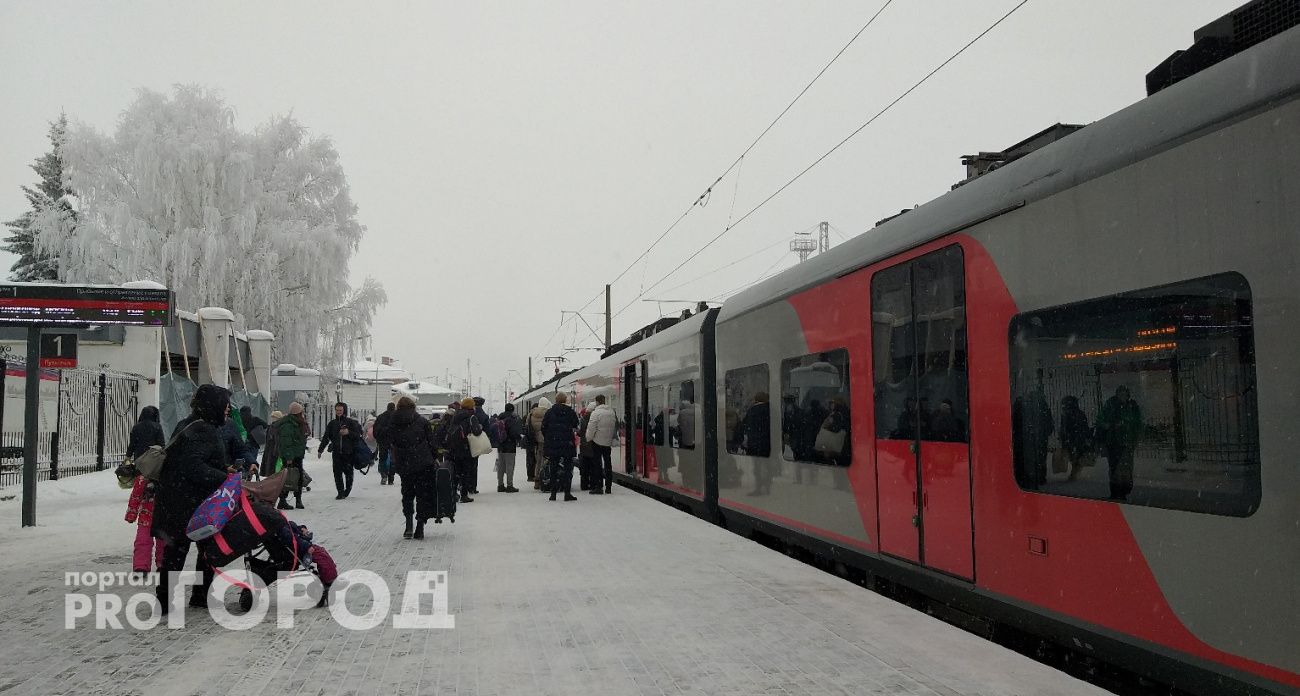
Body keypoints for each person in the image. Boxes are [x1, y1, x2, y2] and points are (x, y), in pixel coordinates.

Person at [151, 384, 234, 613]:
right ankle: (193, 595)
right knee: (201, 549)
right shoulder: (203, 430)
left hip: (177, 501)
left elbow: (189, 461)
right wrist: (224, 476)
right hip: (189, 505)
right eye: (225, 404)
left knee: (178, 553)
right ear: (215, 405)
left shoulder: (189, 424)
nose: (228, 409)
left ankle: (171, 598)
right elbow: (194, 467)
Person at [125, 406, 165, 575]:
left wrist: (131, 514)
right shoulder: (157, 427)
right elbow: (162, 445)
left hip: (141, 464)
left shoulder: (137, 427)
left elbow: (132, 444)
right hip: (163, 512)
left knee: (143, 537)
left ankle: (141, 566)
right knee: (163, 537)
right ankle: (163, 563)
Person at [389, 396, 437, 539]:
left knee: (407, 494)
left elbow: (390, 439)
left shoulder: (394, 422)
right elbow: (432, 442)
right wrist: (433, 457)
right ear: (413, 407)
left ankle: (408, 525)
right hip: (423, 463)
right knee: (423, 495)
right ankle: (420, 526)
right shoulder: (422, 422)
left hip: (405, 464)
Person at [1097, 386, 1141, 500]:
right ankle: (1116, 491)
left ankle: (1123, 490)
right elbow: (1101, 419)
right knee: (1115, 467)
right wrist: (1109, 425)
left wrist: (1126, 426)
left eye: (1124, 394)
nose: (1122, 396)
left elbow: (1137, 423)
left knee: (1124, 467)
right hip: (1113, 440)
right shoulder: (1111, 404)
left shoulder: (1131, 406)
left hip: (1126, 441)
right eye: (1120, 394)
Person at [318, 402, 362, 500]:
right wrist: (320, 449)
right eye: (337, 410)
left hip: (348, 453)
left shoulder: (350, 423)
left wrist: (348, 432)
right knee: (337, 473)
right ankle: (340, 492)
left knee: (349, 473)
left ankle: (347, 490)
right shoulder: (332, 424)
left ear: (344, 411)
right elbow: (326, 437)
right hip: (337, 452)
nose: (338, 412)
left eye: (340, 410)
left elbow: (357, 436)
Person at [1012, 387, 1054, 490]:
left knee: (1028, 458)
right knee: (1040, 457)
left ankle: (1033, 478)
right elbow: (1049, 423)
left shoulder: (1023, 407)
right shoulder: (1043, 407)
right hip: (1040, 438)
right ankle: (1040, 477)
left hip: (1025, 439)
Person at [542, 392, 580, 501]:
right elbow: (575, 425)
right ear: (565, 400)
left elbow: (543, 427)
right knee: (568, 469)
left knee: (553, 468)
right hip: (567, 444)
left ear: (556, 400)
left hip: (554, 445)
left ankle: (553, 493)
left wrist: (550, 438)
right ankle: (567, 493)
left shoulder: (549, 412)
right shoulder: (570, 412)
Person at [445, 398, 482, 503]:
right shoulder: (471, 417)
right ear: (471, 406)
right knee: (465, 472)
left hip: (454, 448)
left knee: (456, 472)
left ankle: (453, 493)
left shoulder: (456, 415)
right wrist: (479, 427)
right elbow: (476, 432)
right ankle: (464, 495)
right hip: (465, 448)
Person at [275, 403, 309, 509]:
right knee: (287, 478)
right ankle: (283, 499)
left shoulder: (298, 423)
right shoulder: (288, 425)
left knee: (297, 478)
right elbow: (286, 442)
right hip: (290, 456)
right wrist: (289, 457)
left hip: (297, 455)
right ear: (298, 413)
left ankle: (298, 499)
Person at [585, 395, 617, 495]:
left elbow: (591, 428)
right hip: (607, 443)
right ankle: (608, 487)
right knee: (608, 464)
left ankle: (599, 487)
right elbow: (614, 426)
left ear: (597, 402)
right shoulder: (611, 412)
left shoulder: (596, 413)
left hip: (597, 442)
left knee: (597, 465)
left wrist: (588, 438)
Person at [742, 392, 772, 495]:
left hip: (755, 443)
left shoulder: (752, 410)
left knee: (757, 467)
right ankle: (768, 486)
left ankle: (759, 487)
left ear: (756, 399)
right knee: (768, 466)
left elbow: (745, 424)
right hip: (768, 443)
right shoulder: (772, 410)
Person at [1058, 396, 1092, 481]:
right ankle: (1075, 473)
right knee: (1075, 457)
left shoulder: (1069, 414)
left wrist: (1064, 437)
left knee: (1074, 457)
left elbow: (1065, 428)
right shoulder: (1077, 413)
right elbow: (1084, 427)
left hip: (1074, 439)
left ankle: (1074, 474)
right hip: (1076, 438)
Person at [494, 403, 525, 493]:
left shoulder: (499, 418)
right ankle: (509, 485)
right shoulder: (511, 419)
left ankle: (500, 485)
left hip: (500, 446)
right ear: (512, 410)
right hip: (509, 446)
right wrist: (519, 438)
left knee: (500, 466)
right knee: (509, 466)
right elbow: (513, 433)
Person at [528, 397, 551, 490]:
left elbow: (528, 426)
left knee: (538, 460)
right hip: (548, 439)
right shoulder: (548, 413)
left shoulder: (532, 413)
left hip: (537, 440)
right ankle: (545, 477)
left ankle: (537, 480)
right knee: (547, 460)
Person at [470, 397, 491, 495]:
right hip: (477, 442)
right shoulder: (484, 416)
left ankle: (466, 486)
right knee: (474, 465)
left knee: (466, 466)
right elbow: (488, 431)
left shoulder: (470, 414)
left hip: (467, 441)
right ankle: (473, 487)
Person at [373, 402, 397, 485]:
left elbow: (375, 431)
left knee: (383, 458)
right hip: (394, 442)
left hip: (383, 442)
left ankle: (384, 475)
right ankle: (391, 478)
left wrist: (379, 439)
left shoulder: (380, 417)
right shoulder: (397, 417)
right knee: (392, 460)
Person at [259, 410, 284, 478]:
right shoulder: (272, 426)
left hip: (274, 450)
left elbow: (277, 440)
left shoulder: (277, 426)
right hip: (270, 449)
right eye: (272, 417)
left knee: (273, 468)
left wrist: (276, 451)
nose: (272, 418)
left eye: (274, 417)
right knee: (270, 467)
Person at [578, 402, 595, 490]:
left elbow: (580, 432)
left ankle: (584, 484)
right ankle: (593, 484)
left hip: (584, 446)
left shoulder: (583, 419)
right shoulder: (594, 418)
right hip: (593, 445)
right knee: (593, 466)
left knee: (584, 467)